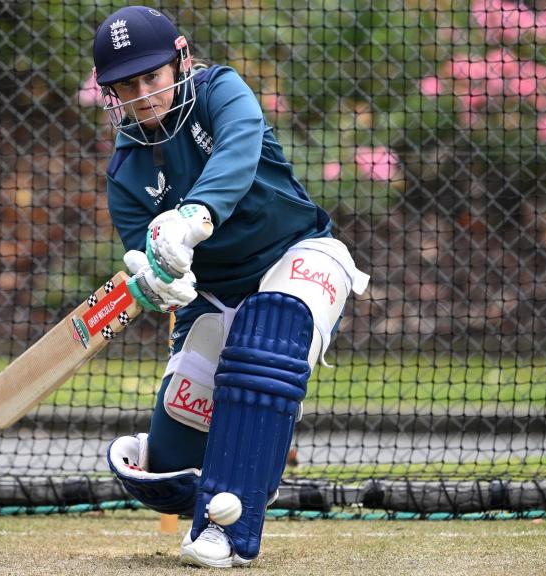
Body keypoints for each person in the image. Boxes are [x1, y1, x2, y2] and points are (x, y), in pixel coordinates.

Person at [92, 6, 369, 568]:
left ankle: (229, 530)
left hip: (299, 257)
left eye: (151, 78)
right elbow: (151, 260)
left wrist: (191, 218)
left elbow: (238, 155)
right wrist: (157, 280)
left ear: (180, 59)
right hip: (215, 297)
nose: (142, 95)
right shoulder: (126, 171)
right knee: (169, 461)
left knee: (266, 337)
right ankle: (221, 464)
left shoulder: (222, 91)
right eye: (126, 85)